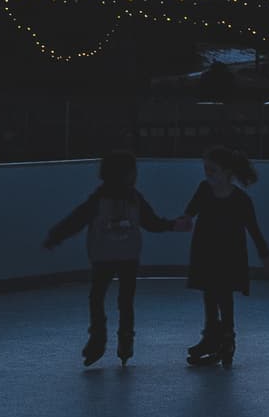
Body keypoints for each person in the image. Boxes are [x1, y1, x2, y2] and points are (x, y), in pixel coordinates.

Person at [43, 151, 175, 366]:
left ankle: (98, 338)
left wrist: (55, 236)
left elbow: (76, 220)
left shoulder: (101, 199)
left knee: (97, 298)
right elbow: (152, 223)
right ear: (127, 174)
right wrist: (171, 225)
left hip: (103, 256)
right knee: (125, 301)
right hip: (127, 257)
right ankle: (125, 339)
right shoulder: (133, 198)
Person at [179, 149, 269, 366]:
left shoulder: (241, 201)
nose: (208, 174)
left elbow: (254, 230)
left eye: (212, 170)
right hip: (206, 252)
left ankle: (225, 337)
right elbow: (191, 210)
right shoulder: (204, 190)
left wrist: (266, 255)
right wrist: (186, 219)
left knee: (223, 295)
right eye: (206, 170)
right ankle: (212, 336)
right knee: (209, 293)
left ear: (227, 172)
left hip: (228, 255)